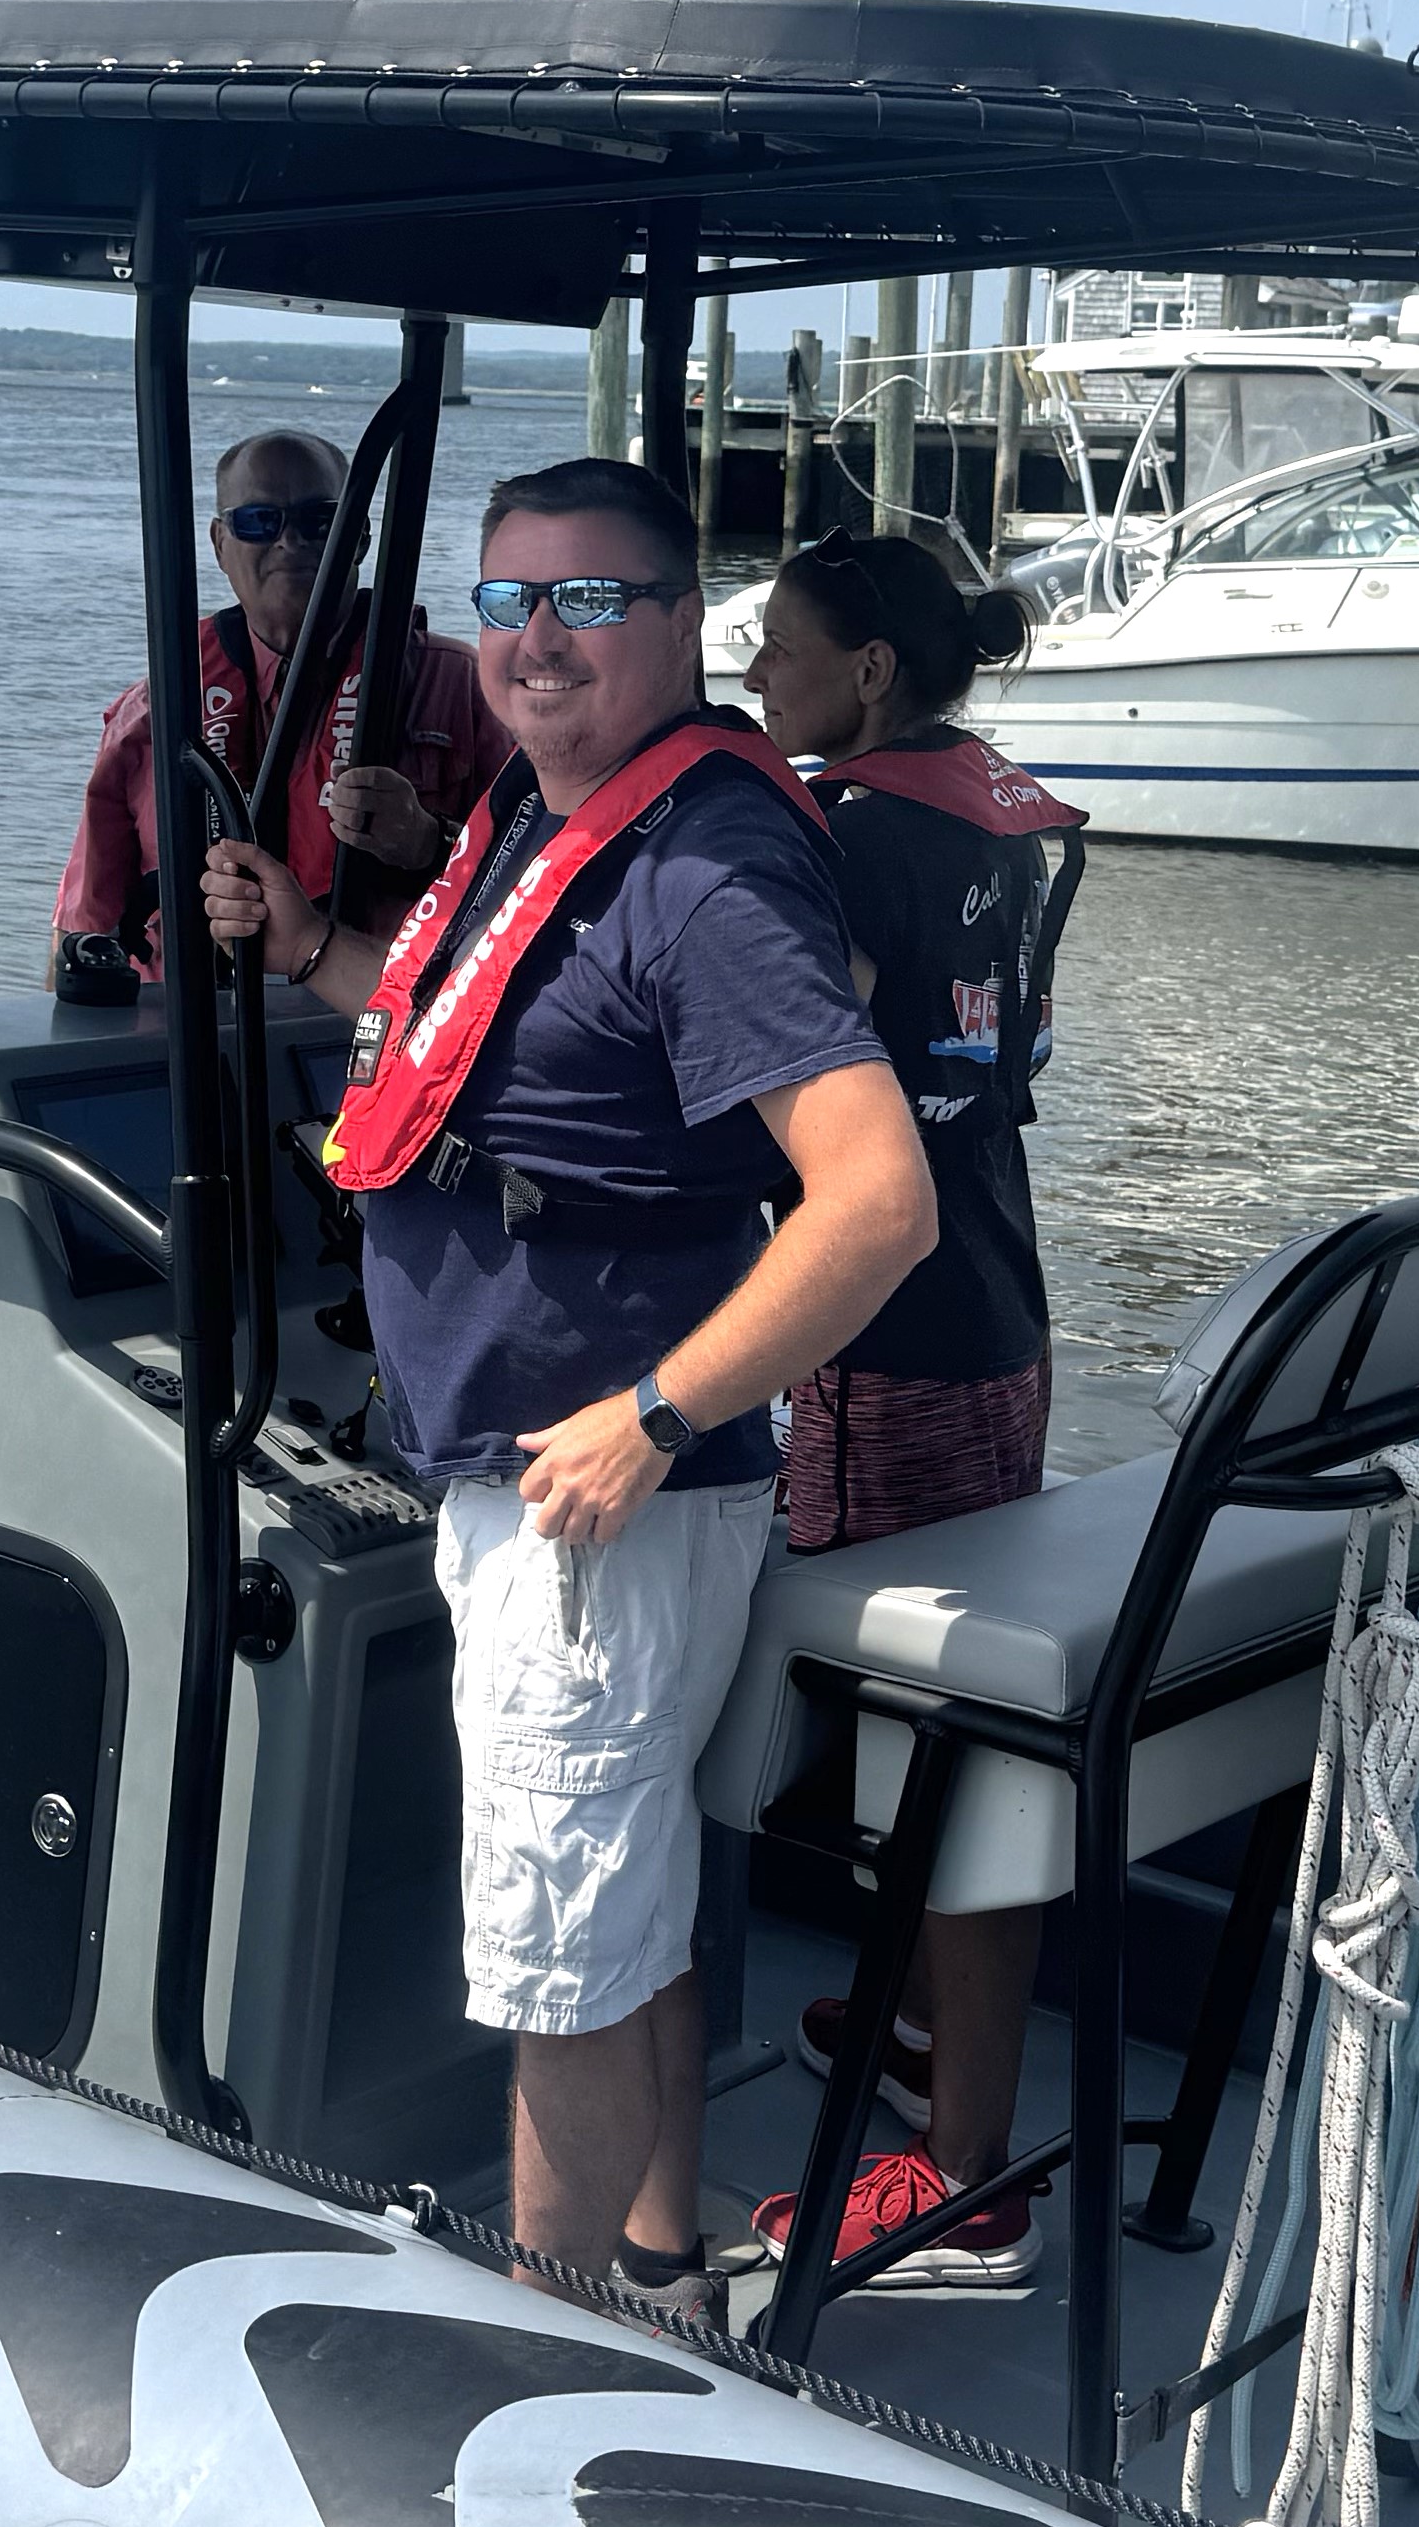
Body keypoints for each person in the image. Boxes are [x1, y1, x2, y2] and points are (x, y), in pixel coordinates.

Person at [198, 458, 931, 2297]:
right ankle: (659, 2267)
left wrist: (653, 1411)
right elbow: (459, 1026)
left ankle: (545, 2336)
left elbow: (877, 1197)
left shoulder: (703, 871)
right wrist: (300, 937)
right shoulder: (557, 815)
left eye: (589, 602)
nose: (536, 639)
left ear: (684, 626)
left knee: (559, 1966)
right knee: (626, 1917)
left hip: (594, 1502)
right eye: (508, 599)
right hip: (531, 1478)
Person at [727, 532, 1089, 2298]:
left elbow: (806, 1066)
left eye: (783, 646)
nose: (759, 666)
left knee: (935, 1749)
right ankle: (944, 2044)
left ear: (871, 668)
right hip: (1003, 1300)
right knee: (954, 1727)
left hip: (887, 1332)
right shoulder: (1004, 811)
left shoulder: (848, 830)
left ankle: (965, 2175)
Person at [56, 426, 505, 994]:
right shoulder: (158, 706)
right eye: (259, 522)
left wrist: (426, 842)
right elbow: (83, 929)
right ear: (220, 544)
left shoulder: (466, 687)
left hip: (377, 1034)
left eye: (321, 521)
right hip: (194, 1040)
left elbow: (544, 886)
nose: (289, 542)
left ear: (361, 540)